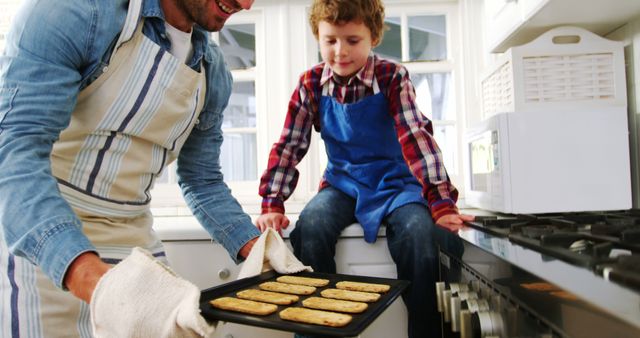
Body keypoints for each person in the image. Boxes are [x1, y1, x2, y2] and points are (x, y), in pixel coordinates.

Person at [0, 0, 261, 336]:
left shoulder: (214, 74)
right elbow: (14, 153)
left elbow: (203, 181)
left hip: (135, 246)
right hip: (45, 248)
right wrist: (94, 279)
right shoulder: (75, 13)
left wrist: (259, 251)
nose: (245, 3)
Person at [256, 0, 474, 337]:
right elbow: (289, 145)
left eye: (352, 40)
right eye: (330, 41)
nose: (340, 51)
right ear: (318, 36)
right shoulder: (310, 83)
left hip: (398, 185)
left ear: (373, 36)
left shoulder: (392, 77)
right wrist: (272, 202)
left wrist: (442, 203)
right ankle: (319, 330)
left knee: (420, 234)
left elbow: (417, 138)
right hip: (343, 184)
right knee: (311, 225)